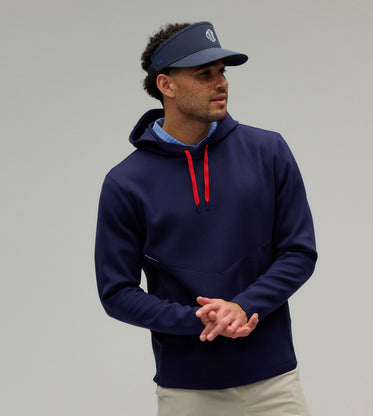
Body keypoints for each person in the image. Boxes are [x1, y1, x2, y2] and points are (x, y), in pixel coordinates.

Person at [95, 21, 317, 416]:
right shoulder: (126, 183)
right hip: (187, 391)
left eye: (222, 71)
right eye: (204, 74)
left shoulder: (268, 151)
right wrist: (199, 319)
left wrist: (243, 306)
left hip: (274, 382)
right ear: (166, 85)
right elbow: (117, 292)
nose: (221, 83)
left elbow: (298, 252)